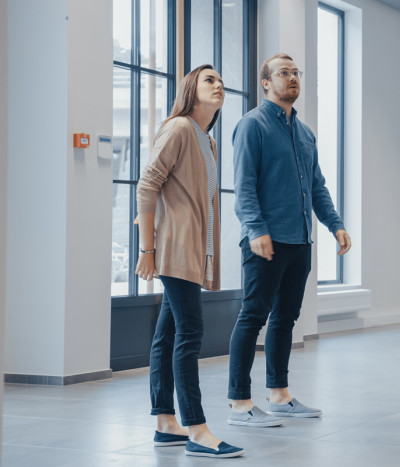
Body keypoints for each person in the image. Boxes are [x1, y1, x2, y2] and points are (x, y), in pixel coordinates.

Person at [227, 53, 351, 427]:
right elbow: (244, 187)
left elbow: (316, 187)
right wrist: (256, 230)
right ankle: (238, 403)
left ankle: (279, 395)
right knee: (252, 318)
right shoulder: (252, 126)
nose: (293, 78)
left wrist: (335, 224)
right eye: (284, 73)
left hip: (299, 241)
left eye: (296, 72)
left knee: (286, 318)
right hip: (266, 241)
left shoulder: (305, 132)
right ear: (266, 82)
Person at [135, 64, 244, 458]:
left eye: (220, 81)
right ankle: (197, 429)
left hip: (194, 249)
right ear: (190, 90)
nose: (218, 85)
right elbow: (147, 185)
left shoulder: (207, 141)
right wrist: (147, 249)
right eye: (209, 80)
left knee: (168, 333)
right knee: (190, 332)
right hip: (174, 247)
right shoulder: (179, 128)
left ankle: (166, 423)